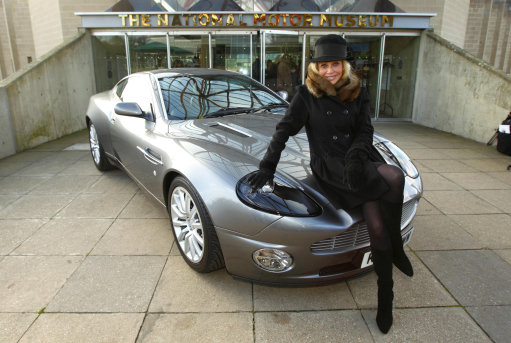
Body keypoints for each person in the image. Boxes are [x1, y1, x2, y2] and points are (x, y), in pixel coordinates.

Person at [247, 34, 413, 334]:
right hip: (328, 167)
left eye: (335, 64)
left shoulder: (357, 89)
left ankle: (389, 278)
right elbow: (284, 129)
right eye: (323, 66)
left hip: (359, 159)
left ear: (344, 64)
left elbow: (365, 129)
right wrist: (267, 166)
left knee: (383, 209)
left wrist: (355, 157)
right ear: (316, 68)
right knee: (389, 186)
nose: (330, 72)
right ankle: (392, 266)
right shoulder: (306, 94)